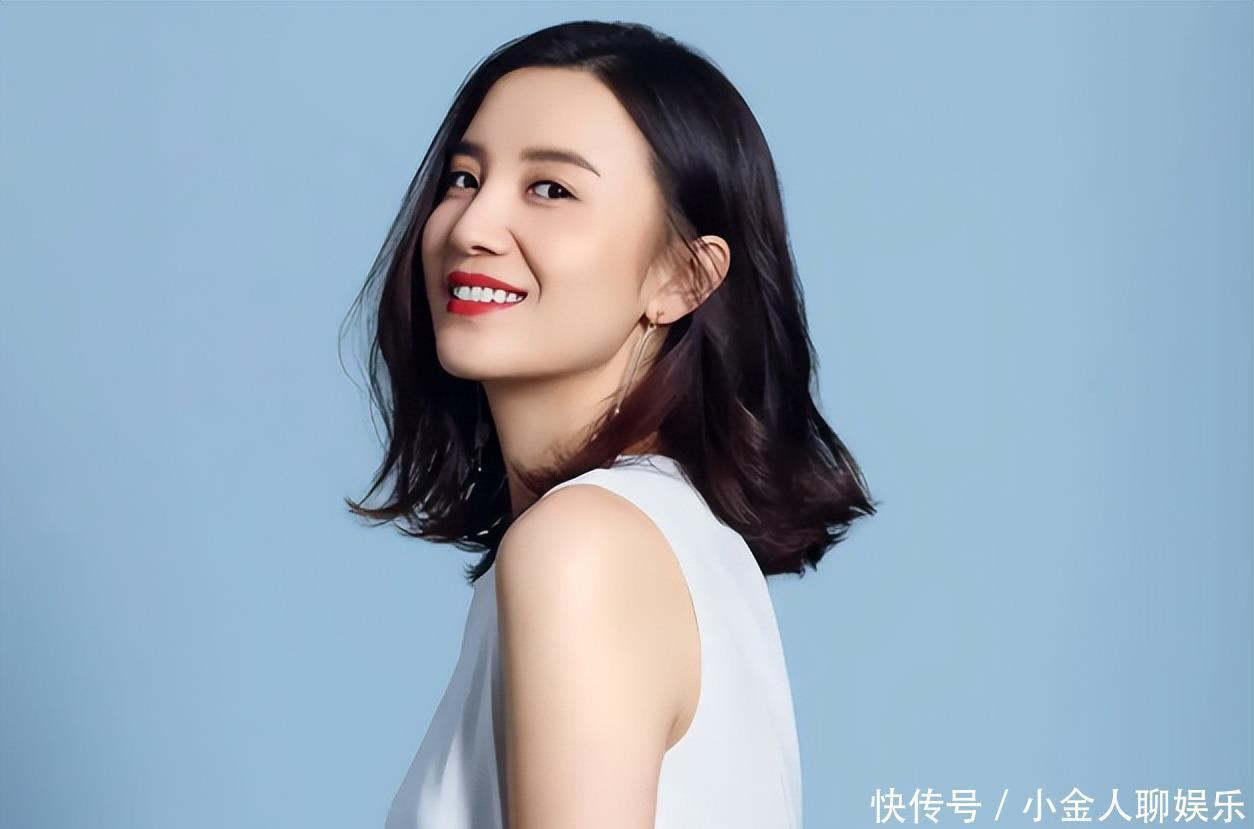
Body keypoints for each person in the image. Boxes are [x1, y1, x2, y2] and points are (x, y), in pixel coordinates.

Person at [341, 19, 877, 829]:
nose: (471, 226)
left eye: (551, 189)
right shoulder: (669, 536)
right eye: (463, 177)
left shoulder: (583, 545)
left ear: (682, 277)